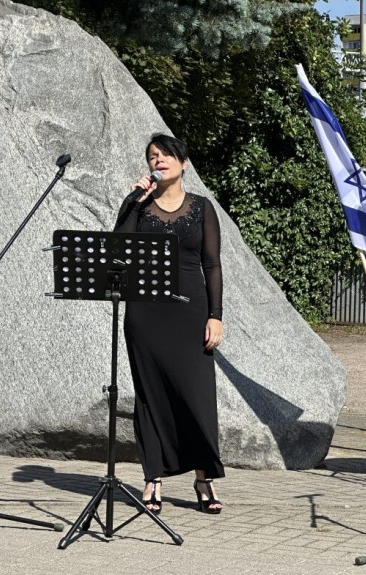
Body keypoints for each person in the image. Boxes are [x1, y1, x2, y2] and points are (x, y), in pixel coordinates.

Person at [114, 133, 225, 515]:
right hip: (146, 313)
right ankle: (153, 478)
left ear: (183, 162)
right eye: (152, 156)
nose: (157, 161)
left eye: (164, 155)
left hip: (192, 313)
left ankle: (202, 477)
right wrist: (133, 202)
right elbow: (118, 250)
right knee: (150, 396)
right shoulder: (139, 207)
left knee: (196, 395)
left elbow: (212, 264)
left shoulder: (202, 208)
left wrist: (216, 315)